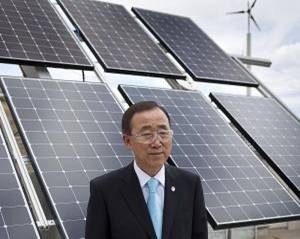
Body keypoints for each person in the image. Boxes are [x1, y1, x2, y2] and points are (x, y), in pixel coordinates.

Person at [85, 101, 208, 239]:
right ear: (127, 141)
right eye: (146, 134)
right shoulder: (104, 189)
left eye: (163, 133)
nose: (156, 143)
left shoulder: (190, 184)